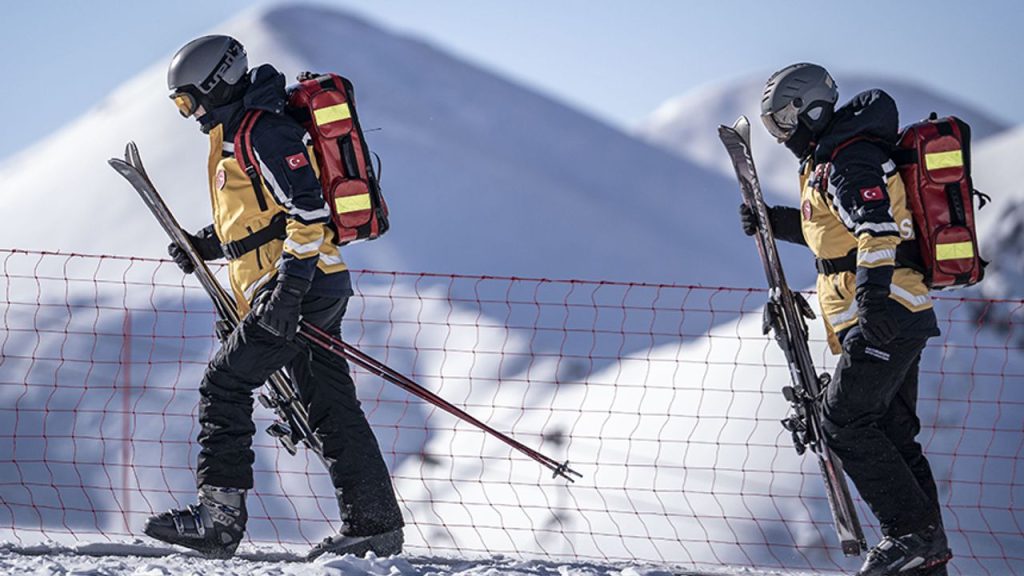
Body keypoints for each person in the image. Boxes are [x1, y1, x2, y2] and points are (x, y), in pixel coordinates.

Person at [144, 34, 404, 560]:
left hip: (296, 290)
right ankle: (373, 524)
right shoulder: (237, 133)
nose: (188, 113)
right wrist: (206, 244)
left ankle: (218, 520)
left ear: (216, 83)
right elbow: (262, 220)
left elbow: (308, 212)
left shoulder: (263, 131)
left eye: (188, 100)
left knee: (224, 381)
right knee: (331, 407)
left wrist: (287, 293)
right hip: (311, 284)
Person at [741, 63, 951, 576]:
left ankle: (909, 536)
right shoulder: (830, 160)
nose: (782, 135)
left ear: (807, 109)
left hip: (886, 313)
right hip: (897, 312)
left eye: (782, 123)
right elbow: (832, 233)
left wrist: (875, 304)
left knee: (843, 422)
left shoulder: (850, 158)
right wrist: (776, 221)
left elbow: (877, 229)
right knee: (893, 434)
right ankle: (927, 554)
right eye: (773, 128)